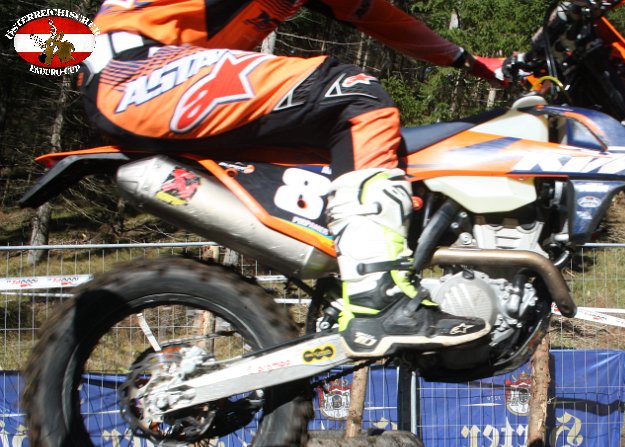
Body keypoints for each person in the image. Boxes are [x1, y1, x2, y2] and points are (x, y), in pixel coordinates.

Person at [80, 0, 502, 357]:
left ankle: (361, 275)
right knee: (353, 93)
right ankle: (378, 299)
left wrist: (466, 60)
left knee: (357, 147)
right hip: (137, 72)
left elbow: (372, 12)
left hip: (156, 79)